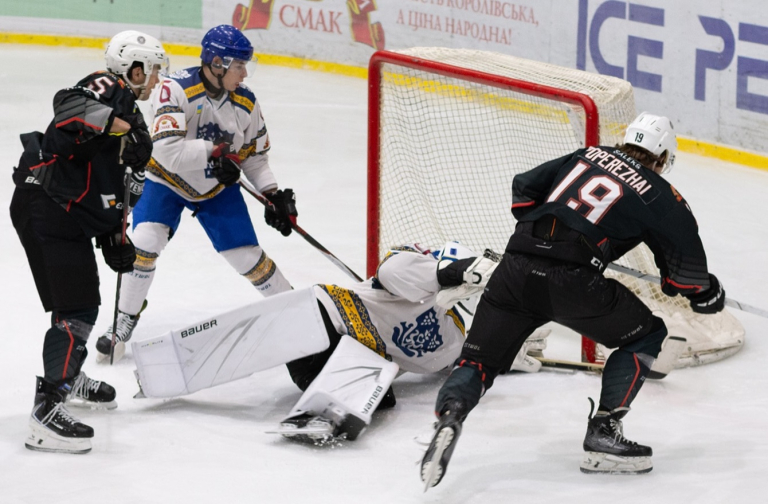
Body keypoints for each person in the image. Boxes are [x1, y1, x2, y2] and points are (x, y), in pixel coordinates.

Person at [420, 112, 728, 487]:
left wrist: (551, 234)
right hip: (573, 283)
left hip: (514, 271)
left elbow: (524, 188)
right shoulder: (658, 193)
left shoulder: (588, 154)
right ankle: (603, 432)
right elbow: (685, 275)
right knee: (647, 335)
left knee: (478, 361)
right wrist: (707, 292)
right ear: (662, 158)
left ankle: (451, 415)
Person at [129, 242, 548, 443]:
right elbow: (395, 268)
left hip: (338, 358)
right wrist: (452, 274)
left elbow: (456, 363)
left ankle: (324, 413)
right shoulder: (416, 277)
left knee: (383, 394)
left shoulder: (455, 340)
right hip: (319, 316)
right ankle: (163, 365)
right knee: (254, 341)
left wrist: (501, 349)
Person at [95, 24, 298, 362]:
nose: (244, 73)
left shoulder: (246, 101)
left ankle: (295, 309)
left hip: (215, 187)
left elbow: (254, 157)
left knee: (246, 257)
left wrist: (272, 194)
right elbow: (167, 153)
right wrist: (215, 153)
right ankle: (124, 318)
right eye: (239, 66)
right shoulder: (174, 89)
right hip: (165, 181)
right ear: (216, 63)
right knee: (144, 242)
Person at [10, 30, 168, 453]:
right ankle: (47, 410)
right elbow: (68, 107)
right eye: (152, 70)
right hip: (47, 205)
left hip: (61, 210)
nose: (156, 79)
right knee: (78, 307)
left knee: (74, 304)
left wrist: (114, 236)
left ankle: (68, 374)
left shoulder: (131, 115)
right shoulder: (108, 86)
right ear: (134, 69)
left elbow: (116, 186)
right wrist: (123, 128)